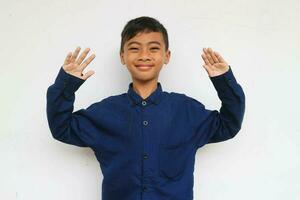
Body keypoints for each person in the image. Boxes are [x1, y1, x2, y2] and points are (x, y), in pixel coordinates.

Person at [46, 16, 245, 200]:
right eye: (134, 48)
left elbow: (228, 125)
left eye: (153, 48)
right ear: (122, 56)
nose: (144, 55)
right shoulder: (104, 112)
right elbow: (62, 128)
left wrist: (223, 80)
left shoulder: (186, 111)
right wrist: (66, 83)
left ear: (167, 56)